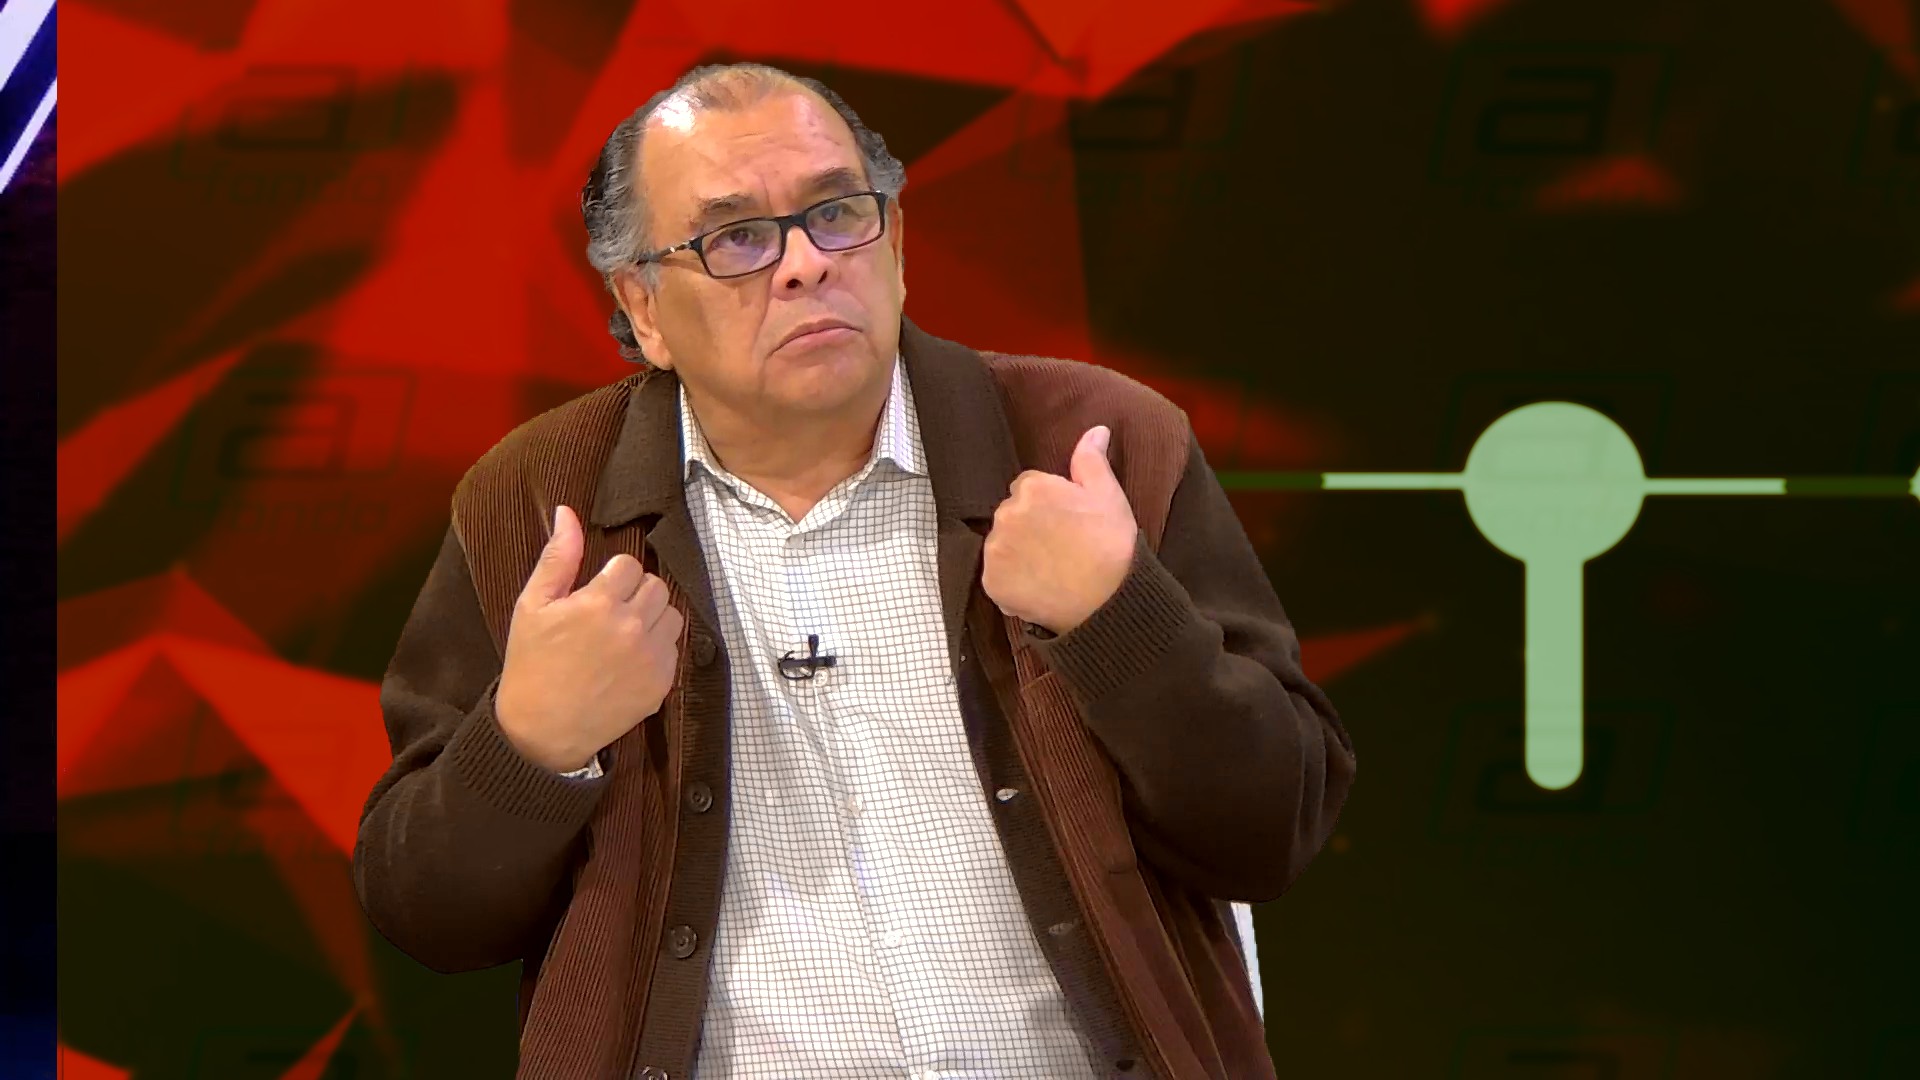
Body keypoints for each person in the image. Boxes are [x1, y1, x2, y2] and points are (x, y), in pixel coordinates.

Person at [352, 61, 1355, 1080]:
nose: (804, 265)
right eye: (737, 238)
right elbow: (428, 917)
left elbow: (1273, 830)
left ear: (897, 243)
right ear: (642, 306)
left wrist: (1118, 625)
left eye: (836, 214)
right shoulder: (538, 505)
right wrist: (532, 744)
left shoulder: (1096, 446)